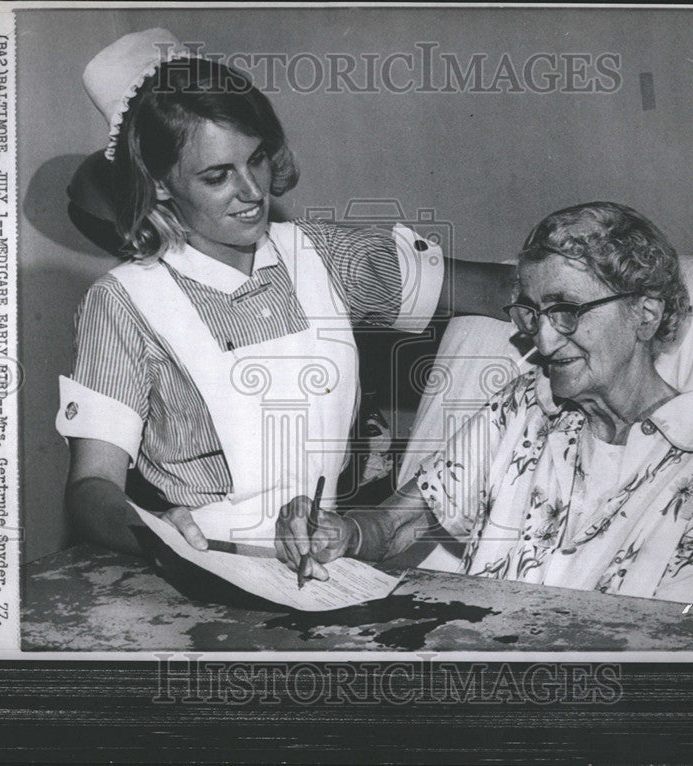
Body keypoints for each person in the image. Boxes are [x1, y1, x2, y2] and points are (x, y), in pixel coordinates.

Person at [56, 28, 512, 557]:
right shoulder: (123, 302)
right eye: (217, 176)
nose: (253, 192)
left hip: (328, 560)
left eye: (256, 159)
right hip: (204, 565)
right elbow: (91, 488)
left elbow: (501, 289)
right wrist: (153, 533)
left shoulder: (322, 256)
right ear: (160, 183)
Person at [277, 201, 693, 616]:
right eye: (532, 312)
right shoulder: (525, 406)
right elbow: (397, 526)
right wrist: (340, 532)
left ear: (646, 313)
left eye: (567, 311)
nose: (543, 340)